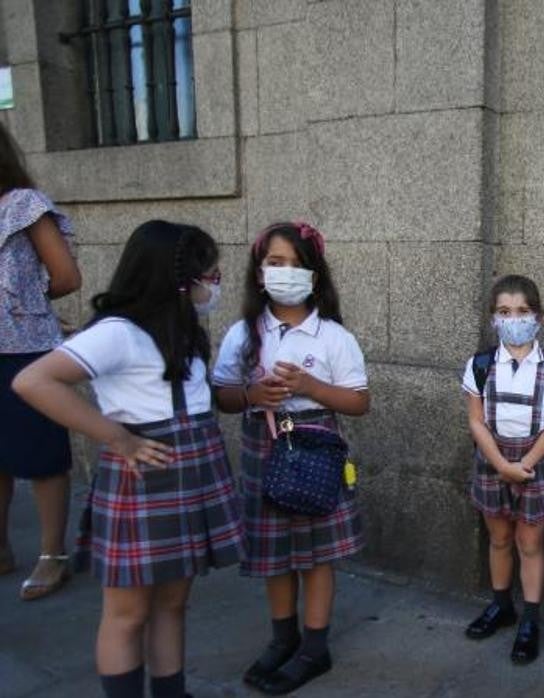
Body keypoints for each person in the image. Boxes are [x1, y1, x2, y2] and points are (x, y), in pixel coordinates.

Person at [13, 219, 243, 698]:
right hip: (145, 479)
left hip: (191, 474)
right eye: (208, 273)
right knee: (128, 612)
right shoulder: (118, 332)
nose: (214, 283)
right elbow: (34, 381)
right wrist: (117, 438)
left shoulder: (183, 328)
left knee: (172, 604)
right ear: (175, 277)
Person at [212, 221, 370, 695]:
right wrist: (251, 393)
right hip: (264, 446)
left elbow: (359, 401)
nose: (286, 273)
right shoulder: (244, 334)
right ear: (259, 273)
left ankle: (315, 647)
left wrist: (310, 388)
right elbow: (222, 395)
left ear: (314, 275)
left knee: (316, 555)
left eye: (297, 265)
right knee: (275, 552)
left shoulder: (333, 337)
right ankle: (284, 637)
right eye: (275, 263)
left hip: (317, 447)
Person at [462, 274, 544, 665]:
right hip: (492, 459)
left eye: (523, 311)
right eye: (505, 312)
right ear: (494, 318)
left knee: (530, 543)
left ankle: (529, 618)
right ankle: (499, 605)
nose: (514, 319)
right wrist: (500, 464)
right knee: (499, 539)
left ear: (539, 317)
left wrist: (523, 464)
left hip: (533, 462)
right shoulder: (480, 365)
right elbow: (476, 421)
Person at [0, 121, 81, 601]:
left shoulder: (24, 206)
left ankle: (53, 556)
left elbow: (67, 275)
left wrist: (21, 304)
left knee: (42, 456)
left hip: (25, 350)